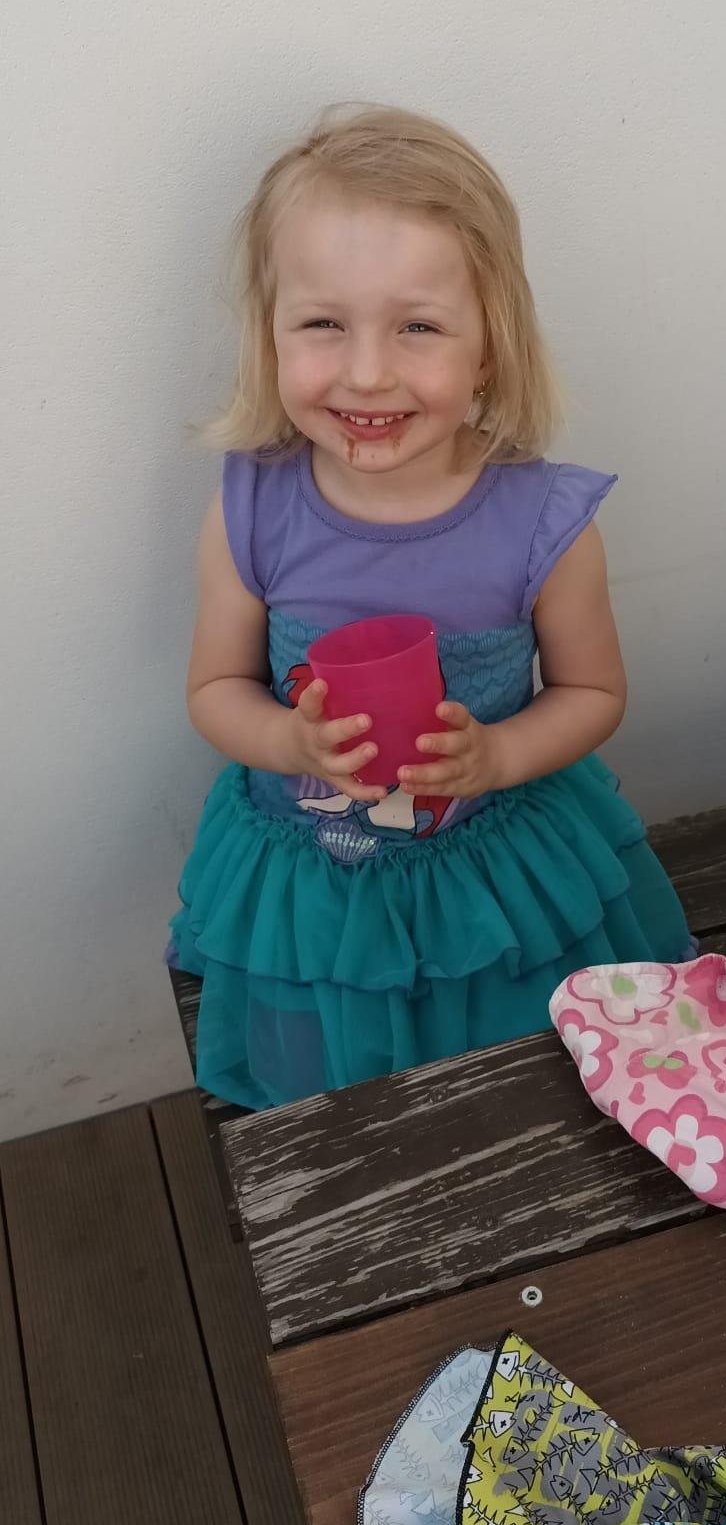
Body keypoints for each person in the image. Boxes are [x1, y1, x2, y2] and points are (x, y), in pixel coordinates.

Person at [168, 105, 694, 1109]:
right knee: (339, 1110)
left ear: (489, 346)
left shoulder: (542, 523)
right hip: (316, 891)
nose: (368, 370)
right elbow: (214, 687)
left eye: (418, 326)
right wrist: (288, 740)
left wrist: (497, 755)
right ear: (269, 334)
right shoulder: (251, 509)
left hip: (497, 879)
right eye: (323, 323)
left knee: (523, 1097)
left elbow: (591, 692)